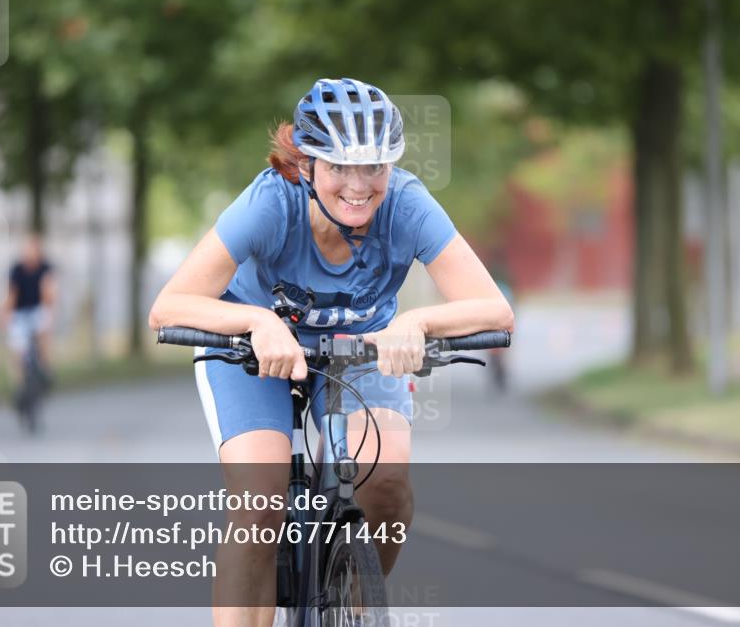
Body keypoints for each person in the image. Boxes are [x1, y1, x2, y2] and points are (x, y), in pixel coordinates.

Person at [148, 78, 514, 627]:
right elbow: (169, 306)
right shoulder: (271, 202)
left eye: (375, 167)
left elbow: (493, 308)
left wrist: (416, 321)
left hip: (359, 350)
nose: (360, 186)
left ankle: (352, 603)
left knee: (386, 485)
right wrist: (255, 321)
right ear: (307, 162)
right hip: (248, 350)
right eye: (340, 167)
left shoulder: (408, 205)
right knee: (260, 503)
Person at [0, 233, 56, 400]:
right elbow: (11, 295)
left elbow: (50, 292)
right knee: (17, 349)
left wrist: (51, 310)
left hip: (39, 309)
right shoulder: (16, 270)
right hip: (20, 312)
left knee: (44, 328)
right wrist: (4, 315)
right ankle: (18, 386)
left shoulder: (46, 268)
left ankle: (45, 368)